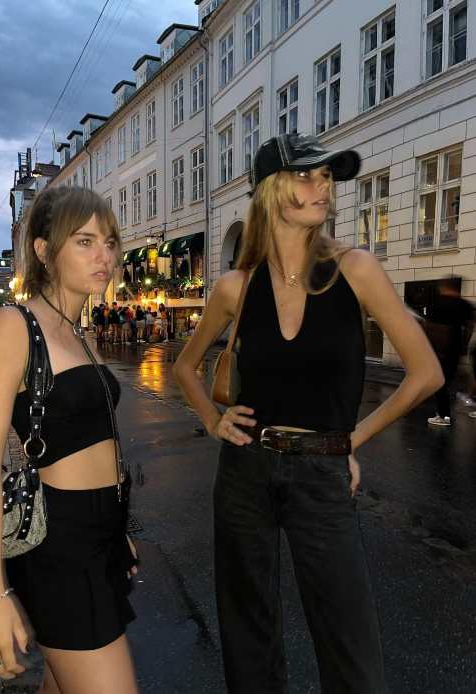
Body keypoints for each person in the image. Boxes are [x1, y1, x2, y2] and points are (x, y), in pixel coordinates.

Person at [173, 133, 444, 694]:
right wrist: (212, 420)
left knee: (349, 642)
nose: (323, 187)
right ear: (270, 190)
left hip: (322, 472)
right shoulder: (235, 287)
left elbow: (426, 374)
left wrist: (350, 441)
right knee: (248, 632)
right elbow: (185, 367)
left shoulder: (355, 268)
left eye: (327, 177)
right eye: (306, 175)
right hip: (245, 471)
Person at [0, 186, 139, 693]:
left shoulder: (78, 331)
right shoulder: (14, 325)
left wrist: (117, 527)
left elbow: (93, 436)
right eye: (84, 241)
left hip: (102, 534)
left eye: (109, 242)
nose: (104, 255)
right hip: (60, 544)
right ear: (43, 250)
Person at [425, 277, 474, 426]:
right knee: (449, 379)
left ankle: (444, 415)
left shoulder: (437, 304)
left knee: (440, 383)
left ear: (445, 287)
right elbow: (470, 327)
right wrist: (463, 345)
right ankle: (450, 408)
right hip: (455, 349)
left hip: (439, 350)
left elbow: (430, 328)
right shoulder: (465, 305)